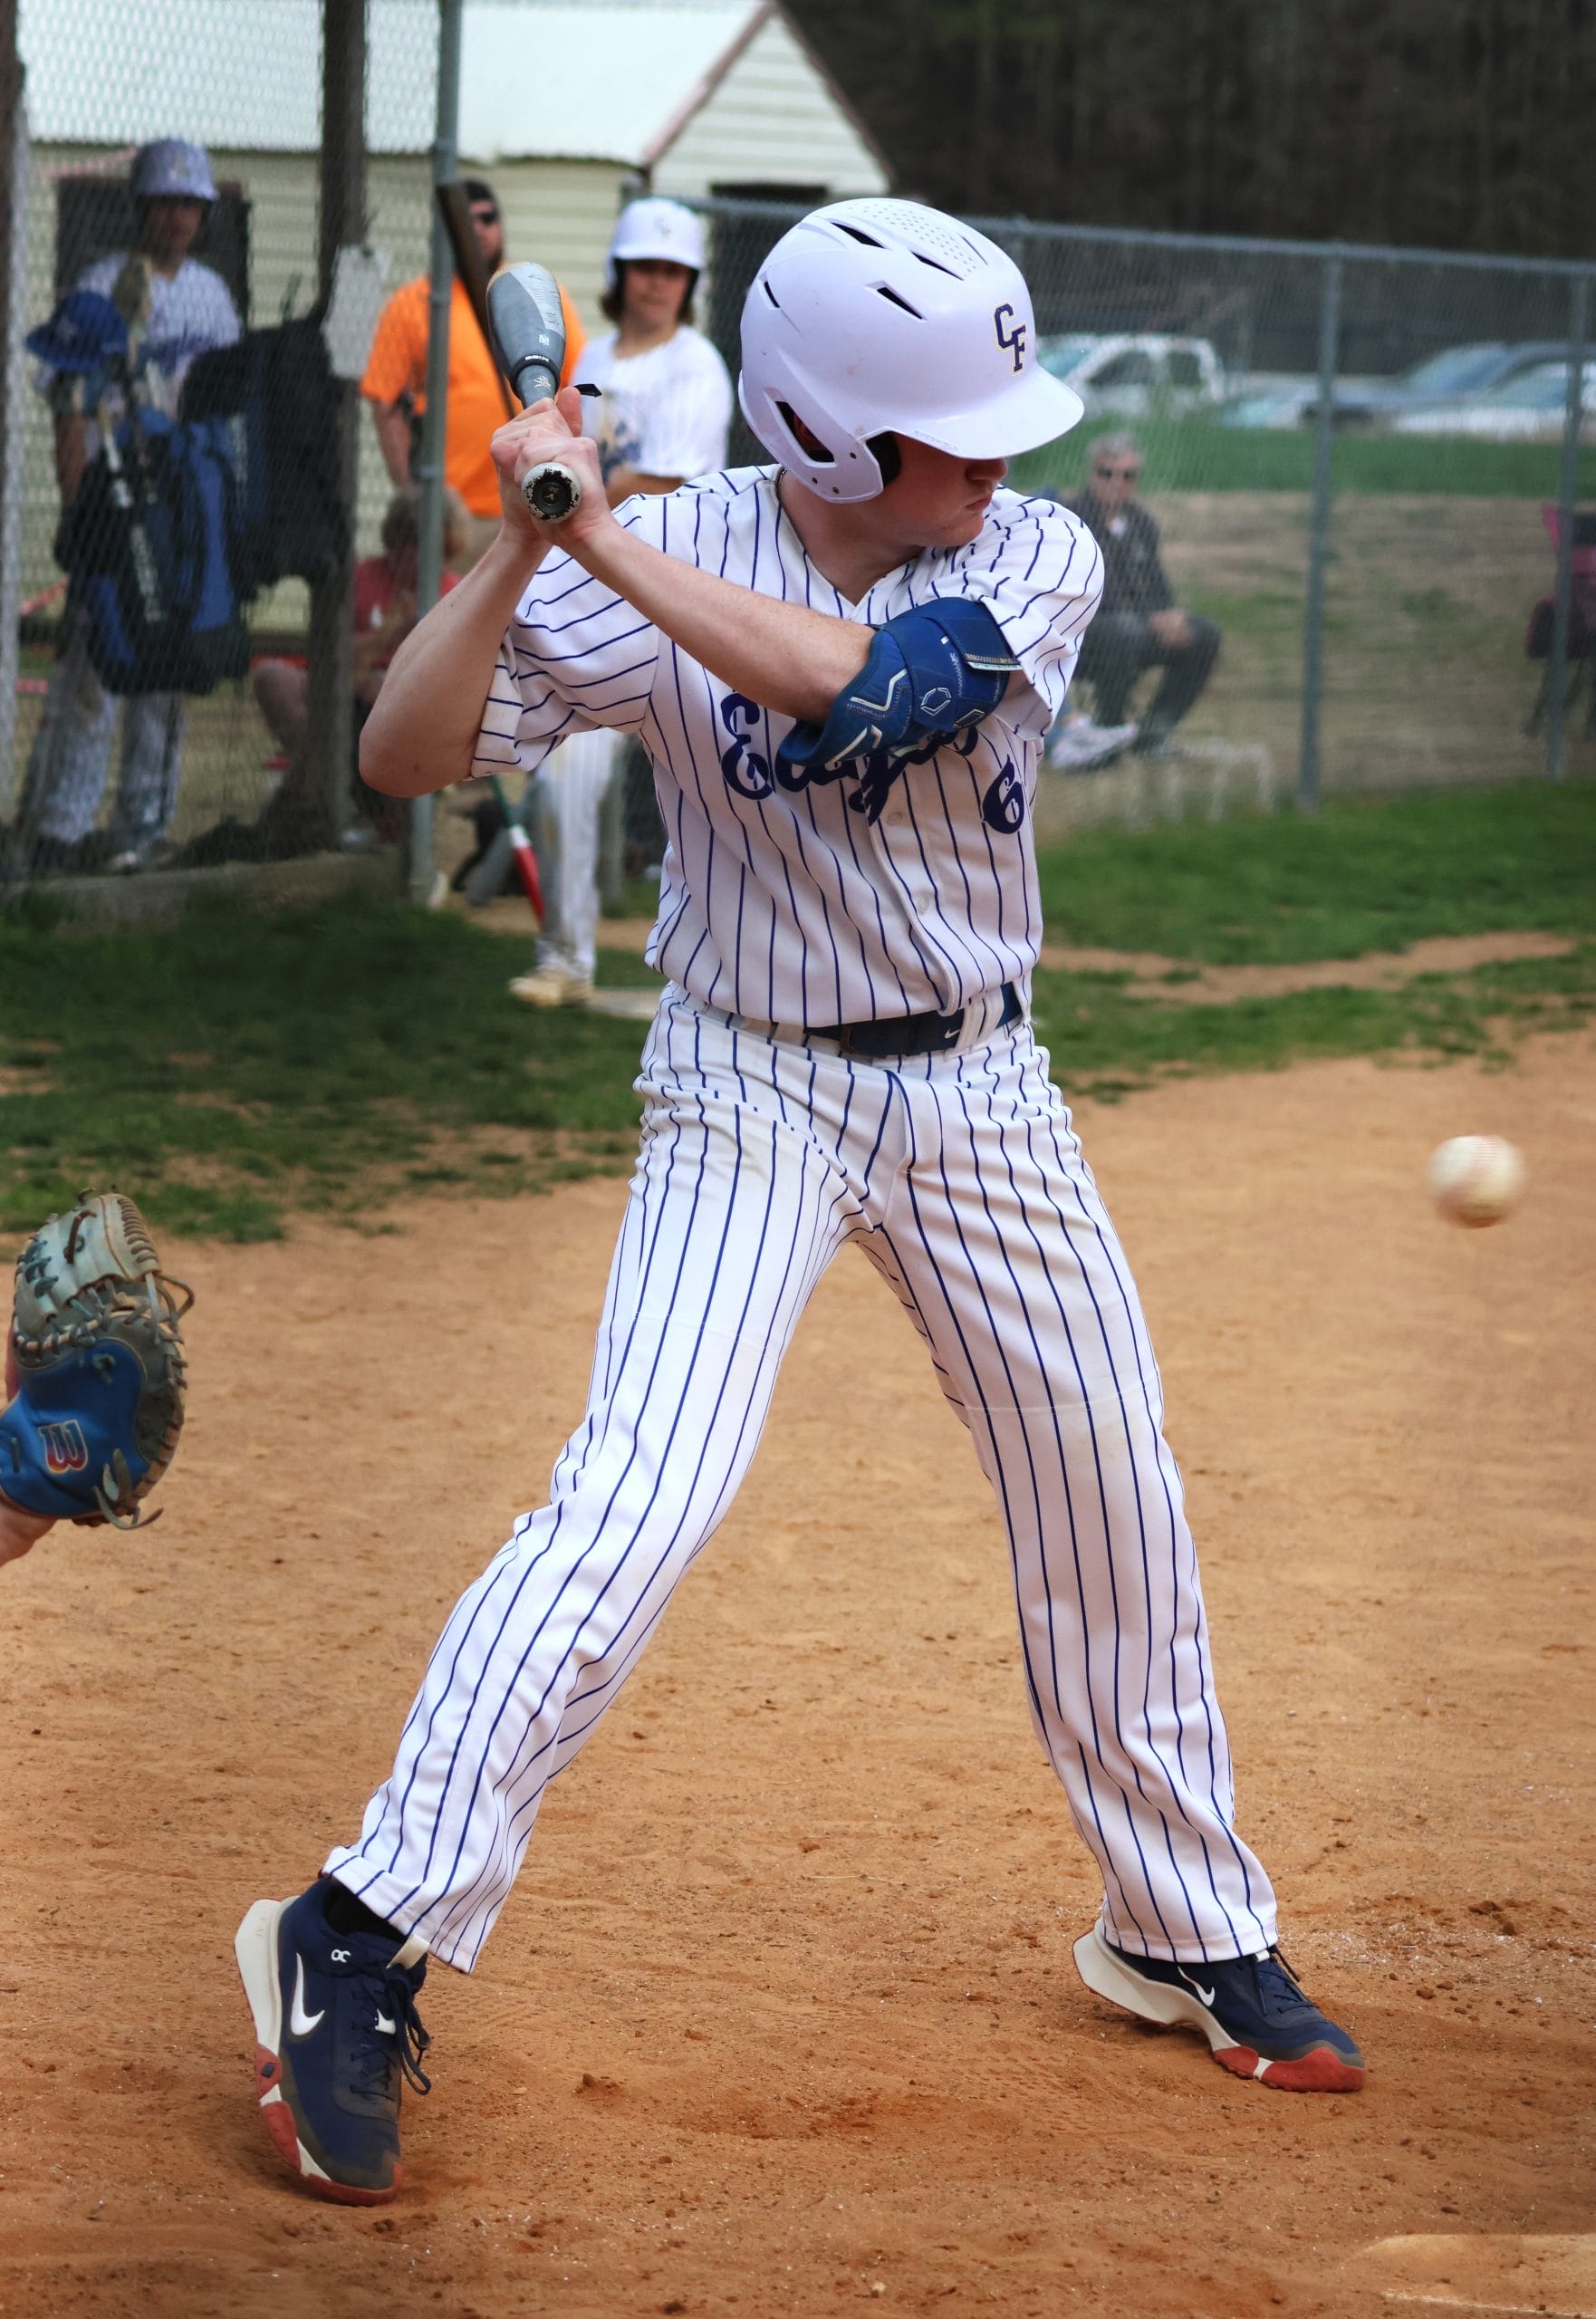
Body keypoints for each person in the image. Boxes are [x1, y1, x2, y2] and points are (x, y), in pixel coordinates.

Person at [234, 196, 1364, 2209]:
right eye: (952, 428)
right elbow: (405, 756)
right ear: (829, 440)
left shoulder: (1026, 551)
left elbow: (873, 697)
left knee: (1108, 1482)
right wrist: (516, 544)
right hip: (744, 1081)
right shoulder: (649, 545)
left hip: (982, 1084)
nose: (997, 456)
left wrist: (603, 542)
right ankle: (360, 1922)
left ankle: (1178, 1917)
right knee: (637, 1496)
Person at [508, 197, 732, 1010]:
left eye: (674, 271)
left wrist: (577, 484)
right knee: (567, 775)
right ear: (620, 275)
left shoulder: (697, 364)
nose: (658, 283)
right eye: (646, 267)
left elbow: (664, 478)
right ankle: (565, 958)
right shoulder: (592, 356)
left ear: (691, 282)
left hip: (680, 601)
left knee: (726, 799)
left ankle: (738, 968)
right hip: (598, 598)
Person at [11, 140, 241, 876]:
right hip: (116, 493)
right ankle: (58, 830)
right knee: (94, 663)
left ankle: (141, 828)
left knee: (168, 664)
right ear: (140, 206)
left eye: (189, 204)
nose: (176, 217)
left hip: (182, 505)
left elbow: (226, 410)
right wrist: (77, 505)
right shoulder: (102, 283)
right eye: (164, 202)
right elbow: (70, 406)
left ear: (203, 214)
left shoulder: (212, 296)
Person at [361, 178, 586, 573]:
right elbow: (385, 401)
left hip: (532, 495)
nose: (478, 229)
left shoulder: (531, 294)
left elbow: (576, 383)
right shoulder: (414, 304)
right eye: (468, 220)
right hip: (453, 513)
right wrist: (414, 493)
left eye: (488, 218)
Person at [251, 488, 467, 842]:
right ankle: (325, 784)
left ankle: (393, 820)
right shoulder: (362, 577)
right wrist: (383, 638)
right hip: (347, 688)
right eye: (405, 541)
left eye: (427, 545)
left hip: (410, 714)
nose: (413, 554)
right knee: (272, 677)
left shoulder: (455, 592)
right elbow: (328, 652)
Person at [1058, 431, 1221, 756]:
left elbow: (1158, 587)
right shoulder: (1070, 519)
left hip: (1137, 630)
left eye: (1127, 475)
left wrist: (1173, 617)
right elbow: (1084, 594)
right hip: (1080, 638)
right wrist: (1150, 618)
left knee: (1203, 635)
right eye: (1107, 473)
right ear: (1092, 473)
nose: (1116, 482)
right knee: (1125, 632)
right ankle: (1107, 733)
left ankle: (1154, 735)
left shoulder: (1142, 522)